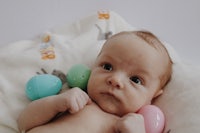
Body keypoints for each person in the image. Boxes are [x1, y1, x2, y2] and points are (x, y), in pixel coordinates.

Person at [17, 30, 172, 133]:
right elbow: (23, 123)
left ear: (153, 96)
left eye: (135, 80)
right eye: (107, 66)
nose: (115, 80)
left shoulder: (127, 127)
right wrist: (56, 103)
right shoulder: (75, 100)